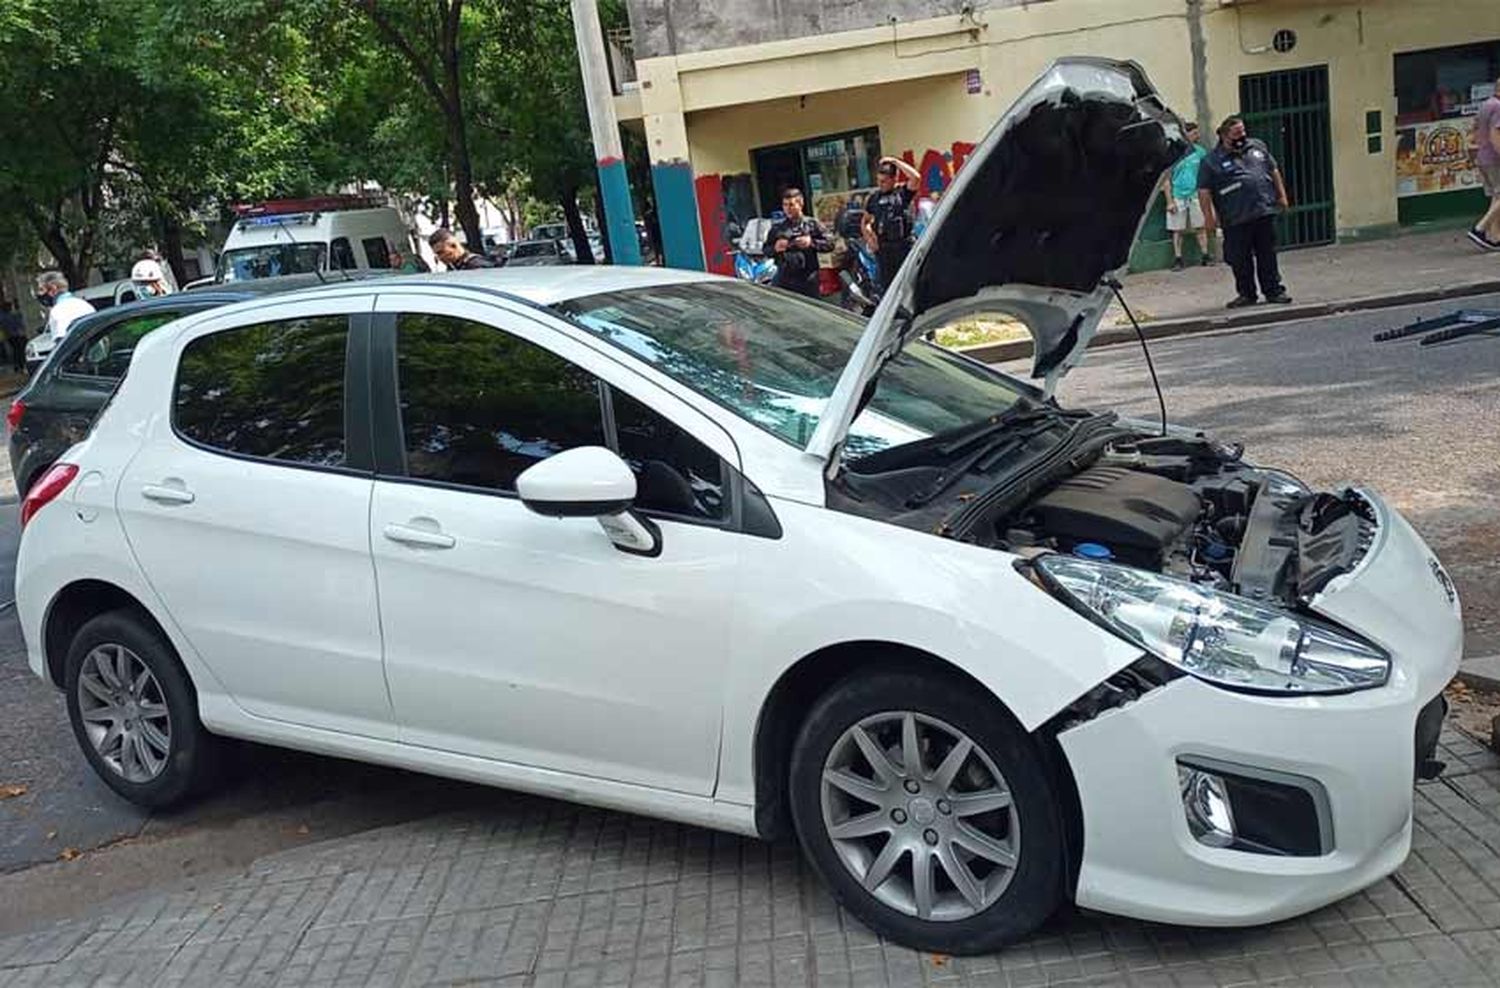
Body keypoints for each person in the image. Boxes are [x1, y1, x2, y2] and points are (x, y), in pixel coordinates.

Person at [1198, 116, 1291, 308]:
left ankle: (1274, 291)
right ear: (1224, 136)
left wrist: (1281, 196)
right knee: (1240, 259)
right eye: (1237, 133)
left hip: (1263, 210)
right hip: (1235, 217)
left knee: (1267, 254)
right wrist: (1209, 217)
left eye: (1243, 131)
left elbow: (1273, 170)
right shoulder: (1211, 161)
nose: (1242, 136)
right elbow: (1204, 190)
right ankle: (1247, 294)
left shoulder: (1257, 147)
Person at [862, 156, 922, 289]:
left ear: (894, 179)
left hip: (904, 247)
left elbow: (916, 177)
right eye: (878, 180)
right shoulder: (873, 198)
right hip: (884, 250)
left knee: (910, 286)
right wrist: (870, 239)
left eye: (884, 181)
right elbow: (865, 222)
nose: (880, 184)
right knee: (888, 288)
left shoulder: (902, 193)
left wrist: (894, 162)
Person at [762, 188, 833, 299]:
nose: (787, 209)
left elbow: (830, 244)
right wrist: (776, 248)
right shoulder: (777, 228)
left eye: (791, 205)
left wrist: (811, 242)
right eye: (785, 205)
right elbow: (766, 250)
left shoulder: (812, 224)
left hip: (808, 278)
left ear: (800, 204)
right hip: (785, 278)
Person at [1161, 122, 1213, 270]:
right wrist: (1169, 200)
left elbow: (1206, 174)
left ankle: (1205, 255)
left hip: (1196, 194)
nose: (1198, 136)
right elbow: (1166, 178)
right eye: (1194, 133)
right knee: (1177, 229)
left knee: (1200, 226)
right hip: (1178, 194)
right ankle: (1178, 258)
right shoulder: (1173, 153)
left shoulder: (1200, 152)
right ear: (1186, 135)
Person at [1468, 76, 1500, 251]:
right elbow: (1496, 134)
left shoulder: (1486, 105)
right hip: (1495, 159)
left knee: (1496, 197)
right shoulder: (1498, 107)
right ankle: (1479, 228)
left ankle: (1495, 238)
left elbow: (1474, 128)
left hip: (1483, 157)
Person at [34, 271, 95, 345]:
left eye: (41, 289)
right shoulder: (85, 305)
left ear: (53, 289)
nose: (39, 294)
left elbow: (62, 345)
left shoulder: (58, 311)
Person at [428, 228, 495, 270]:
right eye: (437, 254)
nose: (440, 257)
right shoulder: (454, 266)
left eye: (441, 252)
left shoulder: (476, 266)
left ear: (453, 245)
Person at [0, 301, 24, 373]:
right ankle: (19, 365)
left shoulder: (5, 315)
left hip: (10, 335)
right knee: (18, 350)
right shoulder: (9, 315)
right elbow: (16, 324)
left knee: (16, 350)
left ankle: (18, 365)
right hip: (14, 335)